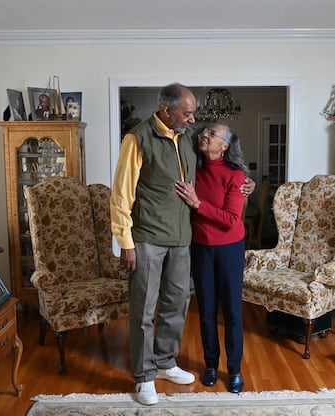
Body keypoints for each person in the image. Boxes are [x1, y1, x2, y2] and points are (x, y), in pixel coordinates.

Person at [110, 83, 254, 405]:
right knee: (144, 310)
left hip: (183, 240)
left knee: (177, 304)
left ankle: (165, 362)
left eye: (194, 115)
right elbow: (121, 196)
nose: (194, 121)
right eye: (187, 114)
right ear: (167, 110)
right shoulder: (137, 138)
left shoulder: (189, 137)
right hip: (147, 237)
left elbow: (225, 155)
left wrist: (246, 181)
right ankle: (144, 376)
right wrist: (126, 242)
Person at [175, 122, 248, 393]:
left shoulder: (236, 175)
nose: (204, 135)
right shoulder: (194, 168)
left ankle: (235, 370)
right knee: (206, 311)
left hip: (230, 247)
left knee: (231, 312)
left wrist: (197, 204)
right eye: (205, 132)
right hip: (200, 247)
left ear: (225, 145)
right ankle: (209, 364)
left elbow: (230, 219)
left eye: (212, 134)